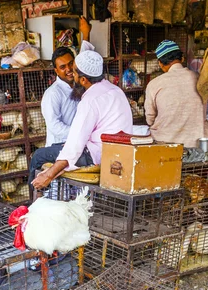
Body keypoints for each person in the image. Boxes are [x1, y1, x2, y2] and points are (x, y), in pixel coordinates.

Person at [30, 50, 133, 189]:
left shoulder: (90, 100)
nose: (71, 73)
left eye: (74, 71)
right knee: (55, 149)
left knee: (38, 156)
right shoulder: (115, 90)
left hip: (96, 154)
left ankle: (33, 201)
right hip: (117, 150)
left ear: (83, 80)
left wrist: (48, 175)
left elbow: (75, 144)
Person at [144, 40, 208, 148]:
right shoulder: (199, 78)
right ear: (182, 58)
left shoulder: (154, 84)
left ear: (160, 63)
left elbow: (150, 118)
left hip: (163, 140)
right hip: (195, 141)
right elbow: (203, 109)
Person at [41, 16, 95, 147]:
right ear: (56, 71)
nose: (69, 69)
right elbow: (55, 126)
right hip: (59, 146)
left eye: (71, 64)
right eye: (63, 67)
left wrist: (85, 34)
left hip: (79, 143)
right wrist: (81, 132)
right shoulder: (53, 94)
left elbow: (84, 55)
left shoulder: (79, 81)